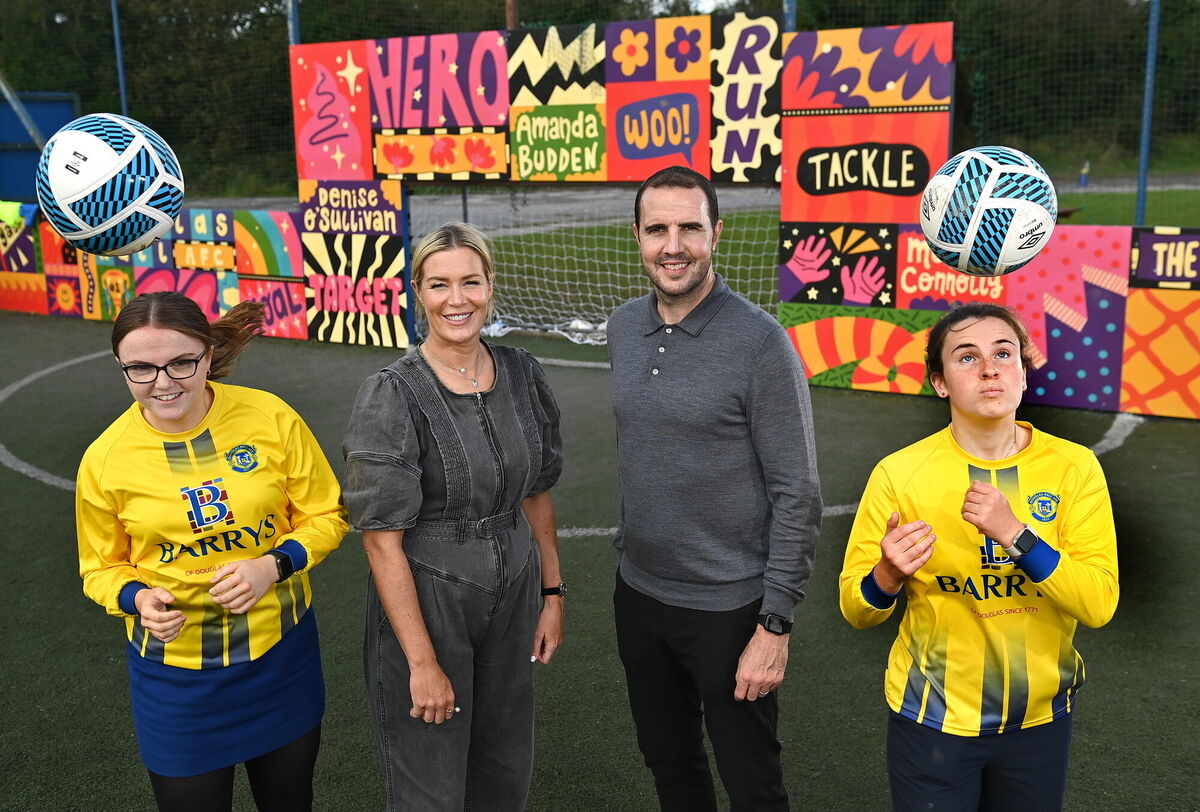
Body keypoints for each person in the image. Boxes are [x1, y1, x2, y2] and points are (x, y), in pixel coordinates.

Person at [838, 302, 1119, 811]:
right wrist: (887, 576)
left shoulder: (1074, 468)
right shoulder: (899, 475)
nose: (990, 368)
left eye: (1004, 353)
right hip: (932, 720)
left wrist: (1016, 534)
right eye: (966, 357)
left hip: (1039, 720)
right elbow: (855, 609)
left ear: (1024, 372)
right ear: (940, 382)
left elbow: (1098, 604)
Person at [76, 291, 348, 811]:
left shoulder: (269, 417)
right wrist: (137, 599)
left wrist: (274, 565)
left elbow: (325, 514)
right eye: (141, 369)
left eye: (181, 362)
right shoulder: (105, 460)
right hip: (175, 679)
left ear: (207, 354)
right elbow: (101, 568)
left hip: (280, 655)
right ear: (120, 367)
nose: (163, 383)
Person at [608, 165, 823, 812]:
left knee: (753, 786)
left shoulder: (761, 343)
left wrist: (775, 624)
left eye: (689, 229)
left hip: (731, 611)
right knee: (670, 766)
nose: (673, 245)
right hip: (640, 597)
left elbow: (799, 493)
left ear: (716, 234)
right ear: (638, 237)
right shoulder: (622, 328)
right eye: (657, 230)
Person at [342, 221, 565, 811]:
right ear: (418, 291)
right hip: (431, 593)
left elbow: (537, 490)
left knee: (504, 767)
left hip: (515, 585)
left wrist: (552, 592)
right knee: (431, 786)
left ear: (491, 284)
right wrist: (421, 661)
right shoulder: (391, 392)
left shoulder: (521, 372)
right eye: (440, 285)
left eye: (471, 281)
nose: (457, 299)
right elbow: (380, 540)